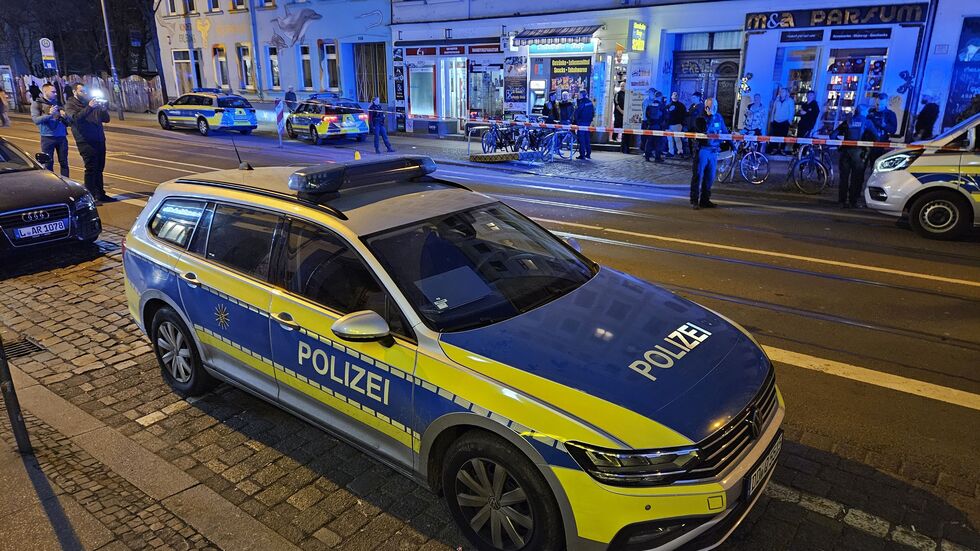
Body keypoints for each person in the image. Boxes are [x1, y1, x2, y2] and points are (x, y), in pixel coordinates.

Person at [65, 83, 111, 202]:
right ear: (75, 92)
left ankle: (100, 194)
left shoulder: (90, 102)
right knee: (91, 168)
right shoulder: (71, 104)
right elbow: (75, 118)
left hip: (99, 139)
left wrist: (103, 109)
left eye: (85, 91)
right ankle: (90, 196)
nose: (84, 93)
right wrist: (90, 107)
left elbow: (106, 119)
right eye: (81, 91)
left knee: (99, 168)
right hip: (85, 140)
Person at [831, 104, 878, 209]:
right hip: (859, 153)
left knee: (844, 178)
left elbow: (833, 135)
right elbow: (877, 137)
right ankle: (853, 201)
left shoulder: (848, 121)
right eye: (866, 111)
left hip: (845, 152)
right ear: (864, 112)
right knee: (856, 179)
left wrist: (841, 143)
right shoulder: (867, 122)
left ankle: (841, 201)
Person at [691, 98, 728, 210]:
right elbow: (703, 130)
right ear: (706, 107)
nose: (715, 108)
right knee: (698, 175)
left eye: (716, 105)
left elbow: (725, 132)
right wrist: (710, 115)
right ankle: (694, 200)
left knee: (710, 177)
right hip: (703, 150)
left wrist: (732, 145)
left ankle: (705, 200)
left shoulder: (719, 117)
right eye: (712, 106)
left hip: (714, 150)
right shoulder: (700, 118)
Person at [31, 83, 72, 176]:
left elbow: (68, 121)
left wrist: (65, 116)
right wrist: (49, 114)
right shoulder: (37, 103)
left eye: (55, 92)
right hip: (47, 138)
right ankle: (51, 184)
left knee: (64, 163)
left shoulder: (58, 103)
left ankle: (66, 183)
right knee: (48, 163)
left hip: (61, 137)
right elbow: (36, 120)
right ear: (45, 91)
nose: (55, 93)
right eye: (53, 92)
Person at [867, 93, 897, 168]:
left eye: (881, 104)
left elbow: (893, 130)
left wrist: (884, 125)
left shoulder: (890, 114)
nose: (878, 106)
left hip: (881, 144)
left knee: (876, 167)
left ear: (886, 103)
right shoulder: (870, 112)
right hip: (867, 143)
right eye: (877, 104)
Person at [770, 87, 795, 155]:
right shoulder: (777, 100)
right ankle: (774, 149)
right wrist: (772, 119)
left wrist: (789, 121)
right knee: (775, 136)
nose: (781, 93)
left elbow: (792, 111)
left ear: (786, 93)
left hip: (784, 121)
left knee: (783, 136)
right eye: (781, 92)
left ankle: (782, 149)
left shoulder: (790, 101)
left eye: (783, 92)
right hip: (776, 120)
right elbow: (773, 109)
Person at [644, 90, 666, 163]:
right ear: (660, 97)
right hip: (658, 127)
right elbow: (665, 116)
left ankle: (647, 156)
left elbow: (647, 115)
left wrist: (650, 122)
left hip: (650, 126)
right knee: (658, 143)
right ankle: (657, 157)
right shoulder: (662, 106)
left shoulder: (650, 105)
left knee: (649, 142)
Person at [572, 89, 594, 160]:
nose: (578, 95)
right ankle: (588, 153)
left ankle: (582, 155)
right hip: (587, 123)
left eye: (579, 94)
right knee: (587, 138)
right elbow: (593, 112)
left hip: (581, 123)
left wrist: (577, 121)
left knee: (581, 139)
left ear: (581, 95)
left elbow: (577, 112)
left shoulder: (581, 102)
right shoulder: (590, 102)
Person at [685, 91, 704, 158]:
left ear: (698, 98)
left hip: (697, 127)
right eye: (692, 97)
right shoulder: (692, 105)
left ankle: (697, 155)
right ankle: (691, 154)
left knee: (697, 142)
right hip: (690, 127)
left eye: (694, 97)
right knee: (690, 141)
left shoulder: (701, 106)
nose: (692, 99)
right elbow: (688, 113)